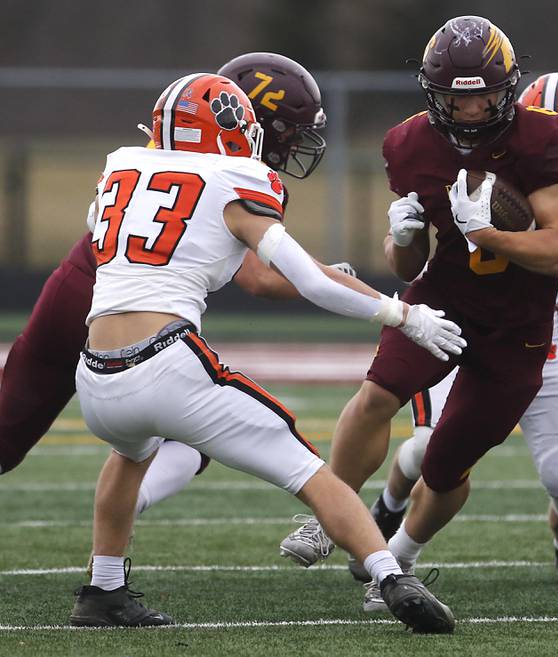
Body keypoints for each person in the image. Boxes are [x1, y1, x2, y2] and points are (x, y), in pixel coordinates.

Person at [68, 72, 463, 631]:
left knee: (130, 455)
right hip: (166, 362)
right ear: (226, 129)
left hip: (95, 377)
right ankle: (391, 578)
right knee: (310, 470)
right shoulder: (233, 179)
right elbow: (312, 281)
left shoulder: (121, 168)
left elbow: (111, 230)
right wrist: (403, 314)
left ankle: (103, 589)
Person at [279, 15, 558, 599]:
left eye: (484, 97)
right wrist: (403, 236)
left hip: (518, 327)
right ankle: (329, 514)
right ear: (431, 92)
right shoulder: (410, 143)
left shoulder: (541, 139)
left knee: (443, 467)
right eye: (454, 98)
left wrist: (488, 235)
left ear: (508, 88)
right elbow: (404, 265)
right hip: (443, 300)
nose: (469, 111)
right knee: (377, 395)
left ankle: (399, 558)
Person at [0, 53, 337, 520]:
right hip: (132, 312)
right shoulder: (232, 173)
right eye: (288, 130)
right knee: (186, 434)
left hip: (75, 285)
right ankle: (120, 515)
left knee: (7, 437)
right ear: (256, 122)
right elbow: (259, 276)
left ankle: (116, 520)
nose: (295, 142)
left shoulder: (167, 151)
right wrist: (332, 281)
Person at [358, 73, 558, 600]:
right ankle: (386, 519)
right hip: (459, 320)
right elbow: (411, 261)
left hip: (535, 340)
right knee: (426, 447)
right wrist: (403, 235)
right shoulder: (487, 161)